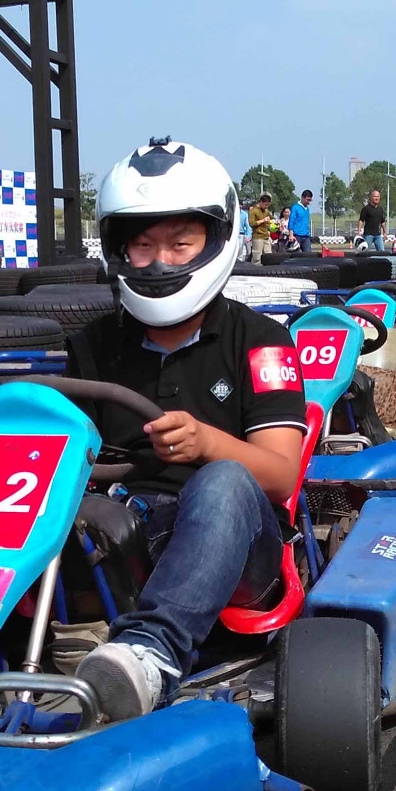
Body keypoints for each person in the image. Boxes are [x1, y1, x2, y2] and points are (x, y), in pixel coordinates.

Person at [66, 139, 307, 719]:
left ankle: (152, 653)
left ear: (215, 241)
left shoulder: (261, 342)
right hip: (119, 530)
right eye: (143, 245)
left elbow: (280, 477)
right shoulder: (94, 345)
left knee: (223, 480)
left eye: (180, 244)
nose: (159, 262)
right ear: (119, 249)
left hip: (237, 545)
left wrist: (206, 443)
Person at [248, 192, 272, 263]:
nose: (266, 206)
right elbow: (251, 223)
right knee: (257, 257)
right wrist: (263, 220)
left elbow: (271, 218)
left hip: (266, 236)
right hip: (257, 237)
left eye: (268, 205)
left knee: (268, 256)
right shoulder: (253, 211)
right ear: (261, 202)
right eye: (265, 205)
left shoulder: (266, 211)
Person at [289, 189, 314, 254]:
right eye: (307, 200)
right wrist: (291, 235)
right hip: (296, 235)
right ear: (302, 197)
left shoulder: (307, 209)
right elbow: (291, 221)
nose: (308, 202)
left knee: (308, 254)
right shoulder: (295, 207)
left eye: (310, 200)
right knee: (295, 254)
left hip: (305, 236)